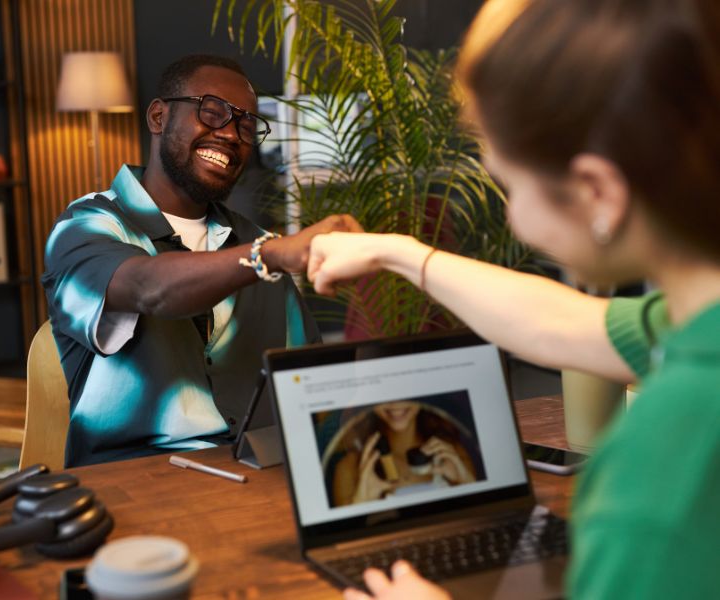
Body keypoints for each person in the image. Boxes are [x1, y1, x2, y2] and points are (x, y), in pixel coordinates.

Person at [307, 0, 720, 598]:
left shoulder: (661, 472)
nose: (511, 215)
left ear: (597, 190)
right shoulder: (692, 325)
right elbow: (566, 323)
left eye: (510, 184)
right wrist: (398, 253)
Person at [42, 54, 361, 467]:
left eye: (246, 126)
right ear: (158, 117)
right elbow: (148, 288)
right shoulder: (87, 225)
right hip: (133, 478)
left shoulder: (256, 241)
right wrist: (269, 256)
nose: (231, 134)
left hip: (254, 473)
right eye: (212, 113)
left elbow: (313, 381)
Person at [330, 400, 479, 507]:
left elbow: (484, 517)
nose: (395, 402)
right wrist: (360, 505)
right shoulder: (349, 468)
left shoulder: (451, 455)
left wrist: (466, 483)